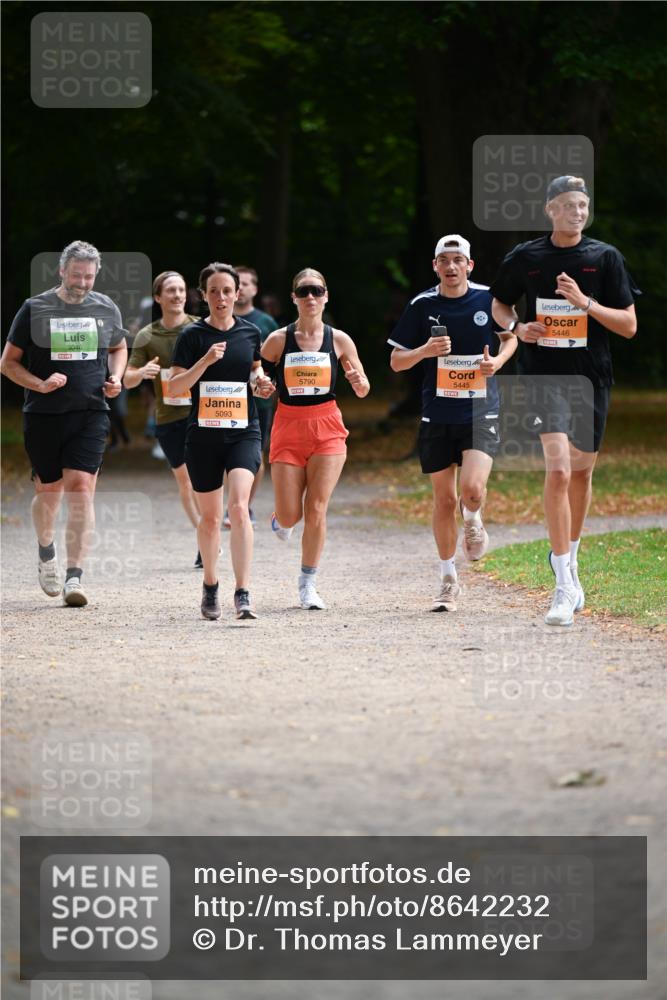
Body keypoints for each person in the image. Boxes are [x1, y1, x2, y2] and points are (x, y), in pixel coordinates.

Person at [490, 175, 639, 626]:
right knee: (557, 470)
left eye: (584, 205)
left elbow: (629, 325)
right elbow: (500, 304)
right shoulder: (527, 257)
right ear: (551, 209)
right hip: (543, 376)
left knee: (581, 471)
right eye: (569, 205)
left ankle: (570, 562)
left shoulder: (604, 257)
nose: (578, 212)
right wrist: (518, 329)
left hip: (591, 376)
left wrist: (584, 302)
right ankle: (560, 586)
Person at [389, 235, 517, 612]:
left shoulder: (488, 299)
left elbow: (512, 338)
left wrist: (498, 362)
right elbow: (397, 361)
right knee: (444, 500)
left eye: (457, 259)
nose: (450, 266)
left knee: (472, 489)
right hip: (437, 413)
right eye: (443, 260)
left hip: (480, 409)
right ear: (435, 266)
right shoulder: (422, 304)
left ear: (469, 265)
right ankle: (448, 579)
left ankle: (474, 516)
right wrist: (425, 351)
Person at [0, 240, 128, 607]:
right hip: (43, 415)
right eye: (76, 275)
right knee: (49, 493)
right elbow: (8, 363)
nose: (83, 283)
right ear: (61, 271)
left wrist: (116, 377)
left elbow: (119, 348)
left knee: (82, 489)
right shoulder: (34, 308)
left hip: (90, 412)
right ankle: (45, 550)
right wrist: (40, 384)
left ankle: (75, 576)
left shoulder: (105, 307)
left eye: (89, 277)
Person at [168, 263, 275, 621]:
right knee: (211, 519)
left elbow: (255, 371)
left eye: (227, 290)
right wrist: (204, 361)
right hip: (203, 436)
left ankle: (243, 592)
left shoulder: (249, 333)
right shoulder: (192, 336)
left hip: (244, 430)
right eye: (213, 291)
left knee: (239, 507)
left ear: (237, 293)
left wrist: (261, 383)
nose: (221, 297)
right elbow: (175, 386)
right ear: (203, 295)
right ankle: (211, 585)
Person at [261, 267, 370, 610]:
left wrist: (356, 381)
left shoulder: (339, 340)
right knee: (292, 515)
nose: (310, 297)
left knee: (317, 508)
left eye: (317, 291)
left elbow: (364, 388)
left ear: (326, 296)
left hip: (327, 428)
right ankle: (281, 519)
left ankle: (308, 584)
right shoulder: (278, 340)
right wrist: (261, 386)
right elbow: (257, 379)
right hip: (288, 427)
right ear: (294, 297)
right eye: (304, 291)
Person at [123, 271, 202, 564]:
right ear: (158, 297)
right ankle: (203, 535)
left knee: (205, 479)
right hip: (169, 417)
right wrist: (141, 373)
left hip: (203, 414)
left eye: (182, 289)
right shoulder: (148, 335)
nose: (178, 295)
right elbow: (127, 379)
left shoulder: (199, 328)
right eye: (171, 290)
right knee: (185, 481)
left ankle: (209, 535)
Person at [226, 265, 279, 527]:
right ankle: (233, 505)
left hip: (259, 401)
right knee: (226, 453)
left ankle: (245, 505)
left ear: (255, 289)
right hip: (226, 400)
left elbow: (278, 359)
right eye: (239, 283)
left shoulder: (266, 323)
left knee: (255, 454)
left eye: (248, 283)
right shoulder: (219, 322)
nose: (243, 288)